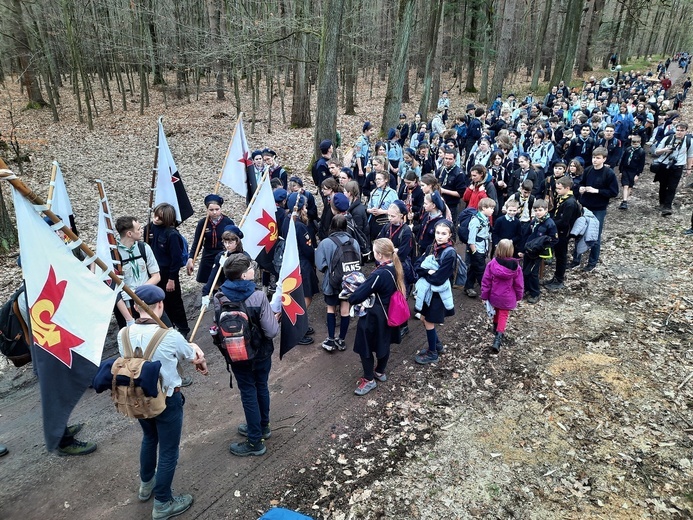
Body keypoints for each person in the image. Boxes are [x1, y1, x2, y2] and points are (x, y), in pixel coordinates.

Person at [118, 284, 207, 519]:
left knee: (149, 438)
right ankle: (163, 503)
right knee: (168, 451)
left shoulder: (123, 333)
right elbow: (191, 357)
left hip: (138, 398)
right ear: (160, 305)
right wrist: (196, 350)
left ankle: (146, 484)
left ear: (135, 307)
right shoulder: (169, 335)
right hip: (166, 399)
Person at [212, 254, 279, 456]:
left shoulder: (219, 297)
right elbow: (271, 331)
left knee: (248, 392)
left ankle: (255, 429)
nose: (253, 269)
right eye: (250, 268)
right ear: (243, 275)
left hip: (236, 353)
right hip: (260, 353)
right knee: (260, 387)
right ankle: (257, 438)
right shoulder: (258, 296)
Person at [348, 238, 404, 395]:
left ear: (379, 255)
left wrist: (350, 296)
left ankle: (369, 379)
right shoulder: (395, 267)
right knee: (383, 343)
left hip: (375, 316)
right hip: (389, 312)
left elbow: (357, 296)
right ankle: (380, 371)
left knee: (364, 346)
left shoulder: (379, 274)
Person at [413, 220, 456, 365]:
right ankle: (437, 345)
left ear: (450, 235)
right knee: (424, 318)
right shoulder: (433, 247)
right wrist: (427, 271)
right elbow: (417, 265)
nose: (440, 236)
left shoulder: (449, 253)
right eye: (438, 233)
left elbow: (438, 279)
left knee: (429, 321)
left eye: (444, 234)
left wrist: (425, 273)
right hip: (428, 293)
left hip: (437, 295)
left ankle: (433, 353)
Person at [315, 214, 359, 352]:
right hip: (349, 282)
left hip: (332, 282)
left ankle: (331, 339)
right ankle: (342, 339)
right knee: (345, 310)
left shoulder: (325, 243)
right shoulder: (353, 241)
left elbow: (320, 265)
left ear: (332, 225)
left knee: (331, 308)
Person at [572, 147, 619, 271]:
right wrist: (581, 188)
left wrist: (597, 191)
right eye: (594, 157)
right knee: (579, 232)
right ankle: (576, 259)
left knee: (595, 236)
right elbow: (581, 183)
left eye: (598, 158)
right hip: (585, 207)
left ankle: (592, 263)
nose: (595, 160)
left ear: (604, 159)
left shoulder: (609, 173)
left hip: (599, 208)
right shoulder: (588, 170)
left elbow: (614, 192)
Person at [149, 203, 190, 338]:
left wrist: (172, 279)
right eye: (155, 215)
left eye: (159, 218)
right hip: (153, 272)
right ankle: (168, 327)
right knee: (160, 302)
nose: (155, 219)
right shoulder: (148, 229)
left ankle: (183, 328)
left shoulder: (171, 234)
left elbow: (176, 259)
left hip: (167, 273)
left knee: (174, 302)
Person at [282, 193, 319, 345]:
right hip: (302, 264)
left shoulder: (286, 220)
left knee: (299, 296)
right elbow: (308, 249)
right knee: (305, 297)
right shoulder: (300, 226)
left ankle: (300, 325)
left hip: (292, 263)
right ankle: (297, 328)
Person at [114, 216, 161, 329]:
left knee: (163, 329)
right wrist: (128, 319)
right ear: (129, 234)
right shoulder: (113, 255)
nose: (141, 231)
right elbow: (113, 289)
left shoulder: (144, 248)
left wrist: (139, 291)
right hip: (126, 305)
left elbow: (156, 276)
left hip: (148, 298)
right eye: (139, 229)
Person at [480, 239, 524, 353]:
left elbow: (486, 281)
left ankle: (495, 327)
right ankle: (498, 338)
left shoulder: (492, 264)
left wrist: (484, 296)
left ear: (498, 249)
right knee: (503, 315)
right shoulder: (516, 267)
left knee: (497, 310)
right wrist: (519, 296)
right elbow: (519, 284)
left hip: (495, 295)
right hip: (508, 297)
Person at [187, 194, 235, 284]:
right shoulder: (203, 223)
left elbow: (234, 241)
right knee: (209, 282)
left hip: (223, 255)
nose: (214, 212)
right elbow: (197, 242)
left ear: (221, 209)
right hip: (208, 256)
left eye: (217, 209)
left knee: (223, 282)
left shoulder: (228, 222)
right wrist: (191, 258)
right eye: (211, 210)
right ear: (207, 210)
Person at [545, 177, 581, 291]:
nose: (557, 191)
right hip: (558, 231)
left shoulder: (570, 203)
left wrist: (550, 223)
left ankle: (559, 279)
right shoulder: (563, 199)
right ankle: (556, 277)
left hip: (563, 233)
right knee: (559, 256)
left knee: (561, 256)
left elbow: (565, 222)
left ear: (567, 188)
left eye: (559, 189)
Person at [521, 199, 558, 303]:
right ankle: (526, 289)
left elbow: (554, 240)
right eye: (536, 210)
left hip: (537, 253)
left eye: (540, 210)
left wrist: (541, 245)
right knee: (525, 271)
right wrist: (522, 249)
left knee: (533, 273)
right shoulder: (534, 221)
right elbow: (526, 235)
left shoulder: (549, 224)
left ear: (546, 210)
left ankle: (535, 293)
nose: (538, 212)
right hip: (529, 250)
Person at [653, 123, 693, 216]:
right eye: (678, 130)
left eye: (682, 131)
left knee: (672, 187)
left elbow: (690, 156)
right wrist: (665, 150)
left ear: (686, 131)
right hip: (664, 165)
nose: (679, 132)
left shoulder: (689, 141)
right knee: (663, 185)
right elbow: (656, 151)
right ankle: (662, 203)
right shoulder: (667, 138)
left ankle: (667, 207)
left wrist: (689, 168)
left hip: (678, 166)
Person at [200, 227, 248, 305]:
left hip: (239, 293)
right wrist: (206, 293)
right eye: (225, 242)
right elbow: (213, 274)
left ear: (237, 242)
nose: (227, 245)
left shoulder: (244, 257)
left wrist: (229, 265)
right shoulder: (220, 256)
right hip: (223, 291)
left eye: (230, 243)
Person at [464, 197, 495, 298]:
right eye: (491, 208)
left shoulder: (485, 219)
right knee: (481, 271)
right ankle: (486, 291)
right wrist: (475, 252)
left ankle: (468, 287)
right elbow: (471, 239)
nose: (493, 210)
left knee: (473, 268)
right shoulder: (476, 221)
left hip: (482, 249)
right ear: (483, 208)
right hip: (477, 250)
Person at [366, 168, 398, 241]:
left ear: (386, 180)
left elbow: (396, 210)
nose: (377, 181)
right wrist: (371, 210)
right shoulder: (373, 192)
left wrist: (382, 211)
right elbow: (368, 208)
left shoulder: (392, 193)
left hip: (386, 220)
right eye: (376, 179)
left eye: (379, 179)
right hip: (374, 221)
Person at [618, 134, 646, 210]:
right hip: (626, 170)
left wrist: (637, 174)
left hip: (633, 171)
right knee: (625, 185)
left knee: (630, 186)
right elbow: (623, 160)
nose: (635, 144)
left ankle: (625, 200)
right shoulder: (628, 150)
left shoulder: (641, 152)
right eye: (633, 142)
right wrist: (620, 170)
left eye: (637, 142)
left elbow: (641, 164)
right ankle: (624, 200)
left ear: (640, 142)